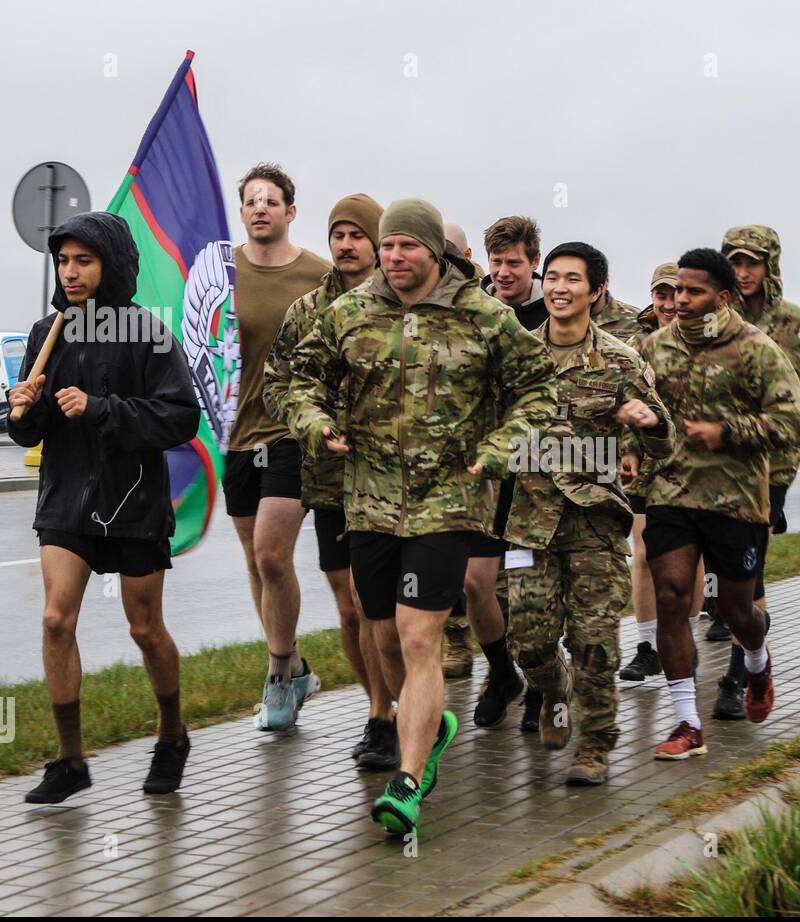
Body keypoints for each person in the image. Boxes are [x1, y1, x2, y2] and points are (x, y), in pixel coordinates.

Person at [285, 198, 556, 834]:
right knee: (382, 636)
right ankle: (428, 721)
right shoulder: (347, 314)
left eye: (409, 246)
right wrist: (314, 422)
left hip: (448, 499)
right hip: (370, 500)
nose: (396, 257)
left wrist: (498, 448)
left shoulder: (483, 316)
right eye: (389, 245)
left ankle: (407, 781)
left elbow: (540, 387)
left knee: (417, 635)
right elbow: (293, 380)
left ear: (435, 252)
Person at [7, 212, 201, 803]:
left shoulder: (148, 333)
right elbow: (27, 432)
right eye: (63, 261)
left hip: (132, 502)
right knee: (54, 620)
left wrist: (100, 409)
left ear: (109, 265)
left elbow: (179, 418)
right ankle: (70, 760)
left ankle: (172, 736)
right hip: (66, 501)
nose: (70, 272)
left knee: (144, 628)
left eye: (83, 260)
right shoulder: (49, 332)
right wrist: (23, 412)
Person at [502, 241, 674, 783]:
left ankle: (595, 745)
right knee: (527, 639)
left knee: (594, 640)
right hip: (529, 520)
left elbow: (663, 445)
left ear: (596, 291)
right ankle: (554, 687)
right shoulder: (517, 357)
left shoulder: (621, 360)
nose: (558, 288)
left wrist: (647, 423)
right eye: (551, 277)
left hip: (596, 521)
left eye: (572, 279)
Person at [638, 248, 800, 759]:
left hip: (736, 501)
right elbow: (640, 407)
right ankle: (687, 723)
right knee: (671, 597)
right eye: (676, 291)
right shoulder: (653, 348)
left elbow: (792, 418)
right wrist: (631, 442)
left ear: (724, 296)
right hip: (671, 491)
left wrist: (726, 432)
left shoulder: (756, 349)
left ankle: (757, 659)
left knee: (737, 610)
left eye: (694, 292)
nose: (681, 301)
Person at [264, 193, 397, 768]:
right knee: (350, 608)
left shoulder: (403, 305)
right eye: (337, 234)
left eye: (357, 235)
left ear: (376, 244)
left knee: (382, 608)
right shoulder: (307, 311)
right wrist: (310, 420)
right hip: (329, 479)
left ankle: (394, 715)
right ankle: (377, 712)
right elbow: (276, 383)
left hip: (395, 479)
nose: (345, 245)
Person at [713, 225, 800, 719]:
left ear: (771, 266)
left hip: (772, 463)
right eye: (735, 262)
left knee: (749, 565)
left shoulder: (798, 324)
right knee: (718, 570)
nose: (743, 272)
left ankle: (738, 671)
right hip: (712, 461)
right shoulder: (710, 318)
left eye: (752, 262)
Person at [226, 164, 333, 730]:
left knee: (272, 554)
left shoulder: (320, 275)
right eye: (251, 201)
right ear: (241, 211)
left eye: (272, 201)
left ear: (291, 211)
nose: (261, 208)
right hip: (235, 433)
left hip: (292, 433)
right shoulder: (220, 274)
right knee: (255, 562)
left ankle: (276, 676)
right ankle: (296, 668)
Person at [467, 215, 550, 731]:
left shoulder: (554, 306)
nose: (502, 272)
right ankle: (502, 672)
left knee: (529, 592)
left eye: (513, 263)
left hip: (538, 472)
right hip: (485, 467)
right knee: (476, 584)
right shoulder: (474, 304)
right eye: (495, 262)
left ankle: (543, 684)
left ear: (533, 262)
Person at [620, 262, 687, 683]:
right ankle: (647, 646)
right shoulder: (635, 343)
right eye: (660, 295)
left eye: (675, 294)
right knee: (643, 553)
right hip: (643, 463)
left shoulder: (700, 339)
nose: (668, 303)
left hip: (691, 465)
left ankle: (684, 637)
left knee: (685, 557)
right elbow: (622, 403)